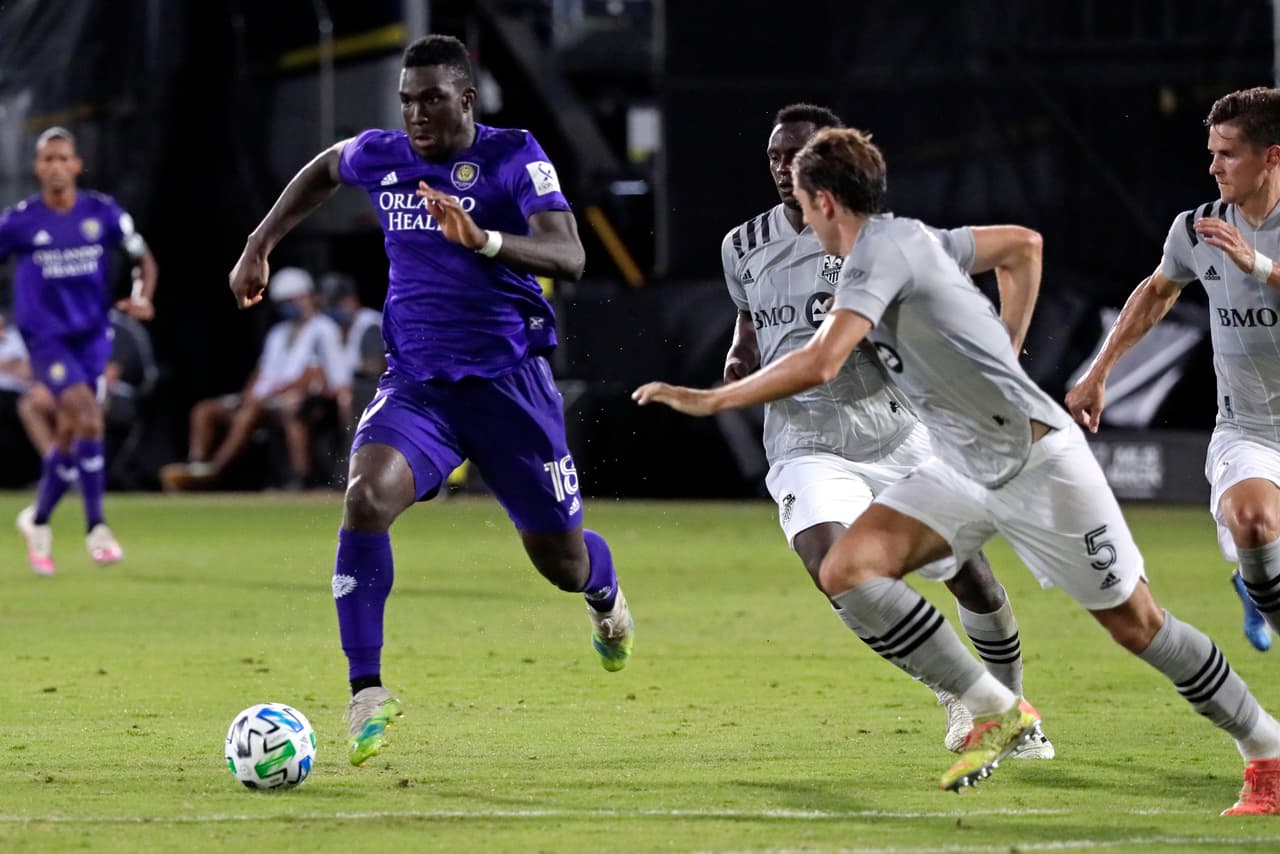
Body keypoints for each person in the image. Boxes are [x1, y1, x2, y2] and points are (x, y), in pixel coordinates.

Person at [634, 126, 1280, 814]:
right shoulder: (909, 239)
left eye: (801, 201)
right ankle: (996, 707)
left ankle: (1264, 747)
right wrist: (1008, 341)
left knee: (1137, 626)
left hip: (1038, 463)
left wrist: (710, 400)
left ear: (824, 202)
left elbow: (820, 362)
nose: (798, 223)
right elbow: (1021, 248)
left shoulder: (881, 254)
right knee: (848, 568)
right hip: (963, 466)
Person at [226, 34, 634, 767]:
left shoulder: (515, 156)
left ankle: (605, 598)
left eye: (433, 99)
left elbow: (569, 254)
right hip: (418, 387)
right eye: (408, 100)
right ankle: (367, 691)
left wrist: (482, 240)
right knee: (364, 499)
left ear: (467, 100)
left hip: (510, 389)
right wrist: (259, 244)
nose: (416, 114)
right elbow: (323, 170)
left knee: (563, 566)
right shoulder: (385, 155)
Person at [721, 102, 1052, 758]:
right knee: (833, 568)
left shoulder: (884, 239)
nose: (785, 168)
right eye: (774, 156)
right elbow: (751, 316)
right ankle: (967, 695)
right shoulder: (742, 245)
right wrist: (741, 348)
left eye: (798, 154)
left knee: (971, 578)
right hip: (807, 443)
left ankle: (1012, 713)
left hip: (900, 434)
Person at [1068, 86, 1280, 659]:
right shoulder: (1197, 229)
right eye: (1211, 152)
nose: (1213, 166)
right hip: (1251, 430)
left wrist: (1256, 265)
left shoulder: (1248, 245)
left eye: (1228, 153)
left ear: (1272, 157)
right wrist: (1100, 370)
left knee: (1264, 557)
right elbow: (1156, 293)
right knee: (1255, 522)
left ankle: (1255, 583)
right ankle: (1258, 584)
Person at [0, 126, 158, 575]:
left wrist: (142, 293)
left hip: (92, 337)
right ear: (37, 167)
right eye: (46, 159)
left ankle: (39, 520)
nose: (54, 166)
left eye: (62, 158)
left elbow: (142, 259)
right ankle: (97, 527)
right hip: (45, 341)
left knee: (73, 432)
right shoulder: (20, 221)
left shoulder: (102, 213)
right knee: (89, 416)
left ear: (75, 164)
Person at [159, 267, 349, 491]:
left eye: (294, 299)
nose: (291, 306)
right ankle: (197, 463)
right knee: (205, 410)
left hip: (298, 400)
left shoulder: (324, 329)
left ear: (308, 296)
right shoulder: (277, 333)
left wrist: (267, 396)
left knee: (252, 410)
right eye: (284, 302)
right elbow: (262, 371)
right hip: (263, 398)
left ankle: (215, 469)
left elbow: (320, 375)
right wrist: (248, 394)